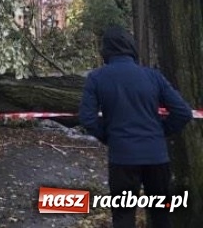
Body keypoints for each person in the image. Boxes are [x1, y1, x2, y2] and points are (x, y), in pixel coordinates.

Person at [79, 27, 193, 228]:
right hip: (157, 157)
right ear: (132, 47)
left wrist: (109, 136)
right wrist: (160, 131)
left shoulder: (96, 78)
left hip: (122, 158)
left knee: (123, 217)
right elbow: (183, 112)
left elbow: (87, 119)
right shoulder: (153, 76)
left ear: (105, 50)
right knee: (161, 217)